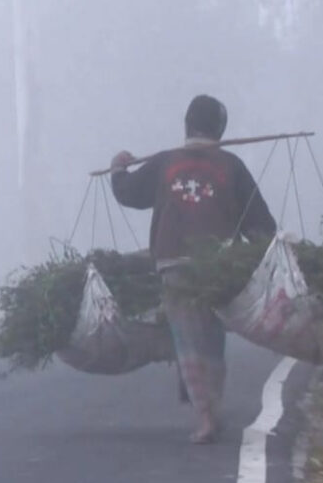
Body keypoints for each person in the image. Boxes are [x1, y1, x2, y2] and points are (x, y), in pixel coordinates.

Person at [109, 95, 276, 444]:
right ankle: (209, 409)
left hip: (175, 263)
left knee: (189, 340)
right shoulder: (231, 166)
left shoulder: (164, 163)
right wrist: (261, 256)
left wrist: (118, 169)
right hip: (219, 266)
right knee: (211, 339)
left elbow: (129, 194)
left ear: (187, 126)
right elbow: (260, 222)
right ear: (220, 129)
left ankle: (206, 415)